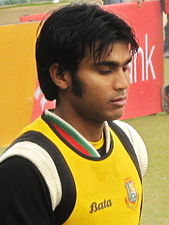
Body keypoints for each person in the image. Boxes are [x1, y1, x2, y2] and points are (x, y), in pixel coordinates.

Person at [0, 4, 148, 225]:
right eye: (105, 70)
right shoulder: (28, 167)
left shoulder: (130, 141)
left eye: (125, 68)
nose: (123, 83)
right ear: (60, 75)